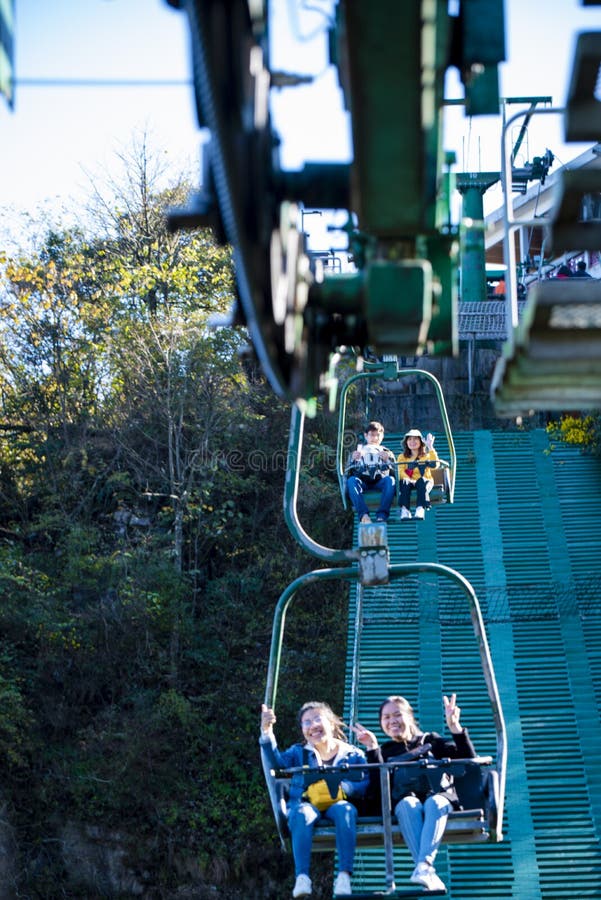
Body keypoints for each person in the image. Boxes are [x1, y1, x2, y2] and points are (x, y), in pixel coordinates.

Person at [354, 694, 476, 893]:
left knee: (434, 802)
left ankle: (424, 866)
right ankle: (425, 869)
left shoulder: (432, 741)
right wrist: (372, 749)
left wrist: (455, 728)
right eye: (386, 718)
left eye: (397, 715)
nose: (392, 721)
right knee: (408, 804)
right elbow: (376, 790)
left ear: (409, 716)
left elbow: (469, 761)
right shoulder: (384, 752)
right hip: (405, 804)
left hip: (439, 798)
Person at [260, 701, 369, 898]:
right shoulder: (298, 753)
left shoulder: (352, 754)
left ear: (331, 723)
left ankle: (344, 876)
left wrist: (346, 788)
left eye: (318, 719)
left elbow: (366, 782)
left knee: (345, 810)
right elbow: (277, 763)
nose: (313, 726)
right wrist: (267, 733)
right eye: (307, 722)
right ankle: (302, 877)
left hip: (338, 804)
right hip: (307, 804)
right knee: (301, 813)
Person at [345, 421, 396, 524]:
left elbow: (395, 471)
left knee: (391, 480)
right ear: (366, 435)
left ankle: (382, 515)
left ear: (382, 437)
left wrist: (387, 460)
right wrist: (353, 460)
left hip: (379, 481)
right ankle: (364, 515)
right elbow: (348, 472)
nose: (375, 438)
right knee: (351, 481)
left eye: (378, 435)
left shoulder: (386, 451)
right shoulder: (358, 451)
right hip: (363, 481)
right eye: (372, 435)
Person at [397, 429, 439, 520]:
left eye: (415, 439)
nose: (412, 442)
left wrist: (430, 447)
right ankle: (405, 510)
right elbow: (400, 471)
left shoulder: (426, 456)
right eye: (410, 439)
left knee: (422, 481)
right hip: (409, 481)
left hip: (424, 481)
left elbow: (435, 465)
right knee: (404, 482)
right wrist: (408, 479)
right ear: (406, 442)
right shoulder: (402, 457)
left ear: (420, 442)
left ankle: (420, 509)